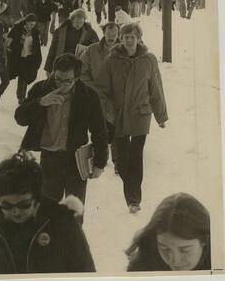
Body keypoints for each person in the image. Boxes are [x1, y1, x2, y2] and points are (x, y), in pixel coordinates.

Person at [14, 53, 108, 222]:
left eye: (68, 81)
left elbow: (99, 130)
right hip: (49, 161)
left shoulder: (88, 95)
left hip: (76, 161)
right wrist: (41, 102)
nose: (61, 84)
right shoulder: (40, 89)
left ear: (77, 78)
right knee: (46, 214)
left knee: (74, 215)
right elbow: (20, 117)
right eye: (58, 79)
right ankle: (48, 247)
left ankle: (72, 247)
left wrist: (100, 162)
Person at [0, 152, 96, 274]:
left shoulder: (61, 222)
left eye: (23, 205)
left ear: (37, 198)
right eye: (7, 205)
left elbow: (84, 271)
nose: (15, 211)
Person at [95, 22, 168, 213]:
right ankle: (132, 191)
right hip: (118, 115)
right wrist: (108, 110)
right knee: (123, 158)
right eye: (126, 37)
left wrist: (161, 116)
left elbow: (156, 89)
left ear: (138, 39)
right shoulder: (112, 60)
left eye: (132, 37)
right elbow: (101, 88)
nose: (129, 40)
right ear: (122, 38)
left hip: (140, 115)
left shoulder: (149, 60)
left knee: (136, 155)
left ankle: (133, 199)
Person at [126, 193, 211, 271]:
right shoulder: (143, 263)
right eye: (165, 249)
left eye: (185, 250)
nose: (175, 261)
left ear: (205, 240)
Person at [81, 22, 120, 174]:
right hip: (97, 98)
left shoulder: (124, 51)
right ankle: (99, 160)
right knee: (100, 130)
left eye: (114, 34)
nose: (111, 37)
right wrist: (94, 89)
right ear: (104, 33)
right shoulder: (92, 50)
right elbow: (82, 72)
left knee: (119, 130)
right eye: (109, 34)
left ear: (118, 34)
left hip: (117, 98)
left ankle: (118, 163)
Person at [44, 8, 99, 74]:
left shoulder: (89, 32)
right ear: (72, 20)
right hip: (62, 62)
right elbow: (52, 49)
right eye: (76, 22)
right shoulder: (61, 30)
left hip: (79, 66)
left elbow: (96, 48)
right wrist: (48, 68)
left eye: (81, 23)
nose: (79, 25)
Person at [6, 13, 42, 104]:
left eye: (34, 24)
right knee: (21, 78)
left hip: (29, 58)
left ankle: (21, 97)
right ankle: (20, 97)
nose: (32, 26)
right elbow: (9, 42)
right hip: (18, 57)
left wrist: (37, 58)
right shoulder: (17, 29)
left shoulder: (35, 33)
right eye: (30, 24)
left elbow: (37, 47)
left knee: (25, 78)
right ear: (26, 22)